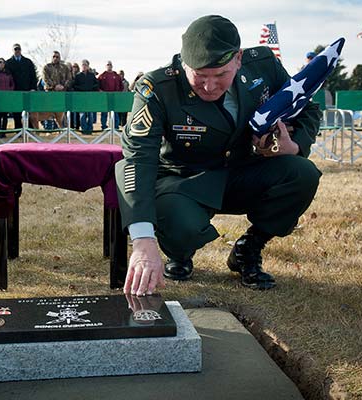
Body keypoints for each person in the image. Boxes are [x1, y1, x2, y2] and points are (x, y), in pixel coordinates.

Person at [116, 15, 322, 295]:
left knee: (302, 173)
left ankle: (249, 249)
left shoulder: (262, 64)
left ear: (238, 59)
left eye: (220, 75)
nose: (209, 86)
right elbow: (138, 159)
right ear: (183, 63)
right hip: (184, 181)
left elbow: (307, 108)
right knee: (180, 226)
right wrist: (142, 241)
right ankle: (180, 252)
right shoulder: (157, 89)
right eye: (199, 76)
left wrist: (294, 146)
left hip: (243, 172)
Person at [4, 43, 38, 128]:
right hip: (15, 91)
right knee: (17, 111)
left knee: (28, 110)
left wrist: (33, 88)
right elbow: (7, 78)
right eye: (15, 49)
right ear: (13, 50)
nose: (17, 51)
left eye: (18, 49)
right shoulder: (8, 63)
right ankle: (18, 129)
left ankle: (30, 128)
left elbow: (33, 76)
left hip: (27, 90)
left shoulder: (28, 62)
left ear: (21, 50)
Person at [42, 50, 73, 128]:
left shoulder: (64, 67)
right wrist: (54, 86)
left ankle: (64, 129)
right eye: (54, 56)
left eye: (57, 57)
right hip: (50, 93)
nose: (55, 58)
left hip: (61, 94)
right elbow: (45, 79)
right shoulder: (46, 67)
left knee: (62, 113)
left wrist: (63, 86)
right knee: (48, 111)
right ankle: (49, 129)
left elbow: (69, 78)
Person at [73, 59, 99, 135]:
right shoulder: (78, 76)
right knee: (82, 114)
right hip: (81, 97)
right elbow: (75, 86)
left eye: (85, 65)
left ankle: (90, 129)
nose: (84, 66)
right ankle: (84, 129)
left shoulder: (91, 75)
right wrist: (82, 89)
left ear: (88, 66)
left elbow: (96, 84)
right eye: (82, 65)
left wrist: (91, 88)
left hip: (90, 97)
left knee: (90, 114)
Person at [98, 60, 123, 129]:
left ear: (112, 66)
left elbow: (121, 86)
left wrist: (118, 93)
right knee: (104, 113)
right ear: (106, 66)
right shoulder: (102, 75)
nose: (109, 66)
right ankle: (104, 126)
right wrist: (101, 91)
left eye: (110, 64)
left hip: (114, 97)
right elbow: (97, 86)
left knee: (115, 112)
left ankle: (116, 126)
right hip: (105, 98)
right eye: (107, 64)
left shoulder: (116, 76)